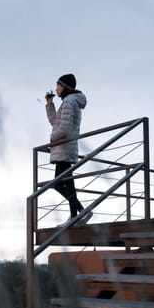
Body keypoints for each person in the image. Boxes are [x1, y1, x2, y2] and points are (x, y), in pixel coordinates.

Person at [45, 73, 93, 227]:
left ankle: (78, 213)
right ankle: (77, 214)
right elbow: (56, 122)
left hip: (64, 148)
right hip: (66, 148)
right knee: (67, 182)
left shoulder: (68, 102)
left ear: (64, 87)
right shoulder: (70, 102)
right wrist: (50, 104)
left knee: (59, 183)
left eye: (58, 85)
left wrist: (52, 139)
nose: (56, 88)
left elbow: (63, 129)